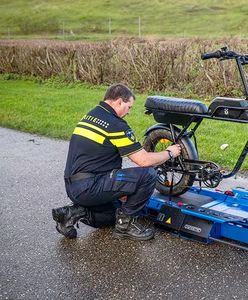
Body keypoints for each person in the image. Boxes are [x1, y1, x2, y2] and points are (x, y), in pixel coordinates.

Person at [52, 83, 181, 241]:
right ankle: (125, 227)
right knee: (148, 174)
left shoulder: (91, 115)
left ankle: (71, 214)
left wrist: (118, 190)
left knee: (113, 213)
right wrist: (169, 152)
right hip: (90, 185)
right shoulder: (115, 124)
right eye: (129, 107)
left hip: (74, 186)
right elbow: (144, 160)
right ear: (119, 101)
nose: (128, 112)